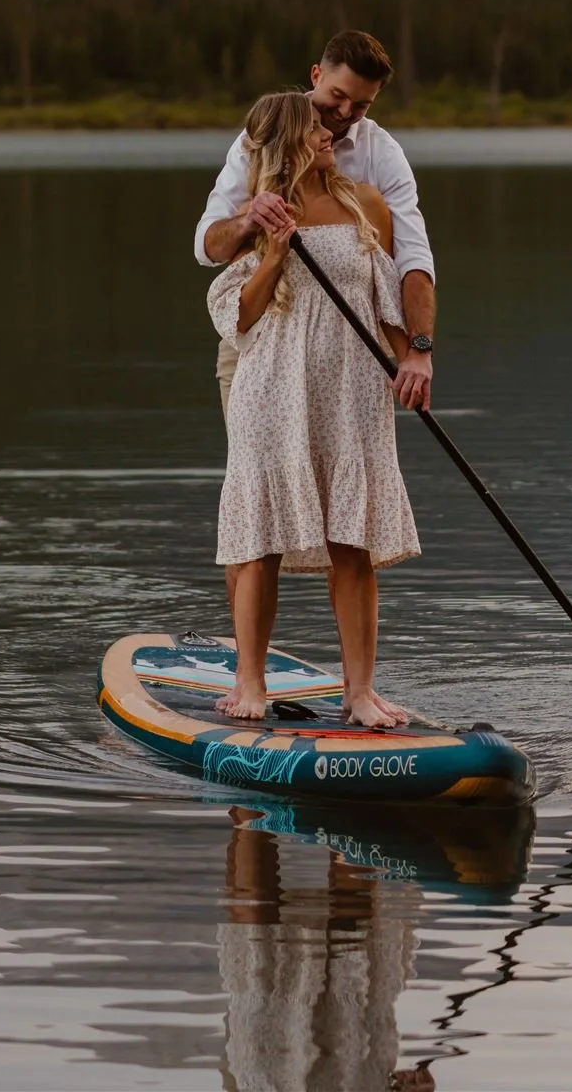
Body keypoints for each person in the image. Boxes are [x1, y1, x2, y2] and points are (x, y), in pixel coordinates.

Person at [207, 90, 420, 727]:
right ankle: (250, 683)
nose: (331, 133)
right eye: (316, 128)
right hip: (272, 386)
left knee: (352, 543)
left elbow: (389, 299)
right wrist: (272, 249)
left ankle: (359, 693)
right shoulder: (261, 212)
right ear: (289, 141)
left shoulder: (367, 205)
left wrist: (414, 361)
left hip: (352, 393)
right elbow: (240, 316)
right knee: (261, 538)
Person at [195, 30, 436, 415]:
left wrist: (418, 352)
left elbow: (410, 261)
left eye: (361, 105)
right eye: (338, 97)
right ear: (316, 75)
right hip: (259, 352)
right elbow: (208, 248)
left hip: (349, 357)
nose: (343, 115)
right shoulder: (259, 139)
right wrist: (249, 221)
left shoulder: (381, 155)